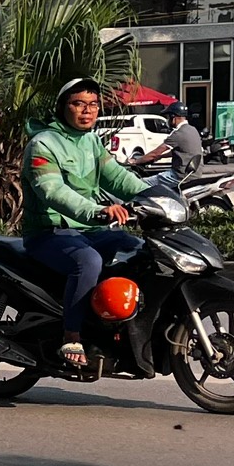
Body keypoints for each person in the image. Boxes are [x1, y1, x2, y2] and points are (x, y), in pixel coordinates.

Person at [25, 77, 147, 373]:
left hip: (90, 231)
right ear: (62, 107)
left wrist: (157, 196)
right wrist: (98, 211)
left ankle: (116, 325)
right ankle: (72, 337)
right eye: (78, 104)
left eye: (93, 104)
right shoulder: (42, 144)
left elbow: (118, 178)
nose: (87, 110)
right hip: (50, 232)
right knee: (88, 262)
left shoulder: (91, 142)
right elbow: (54, 192)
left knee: (138, 250)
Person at [144, 105, 204, 185]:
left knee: (143, 182)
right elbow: (181, 151)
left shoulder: (178, 133)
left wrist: (135, 161)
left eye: (168, 117)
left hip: (180, 177)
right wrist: (161, 157)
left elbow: (155, 153)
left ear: (173, 117)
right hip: (194, 174)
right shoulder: (193, 129)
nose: (167, 120)